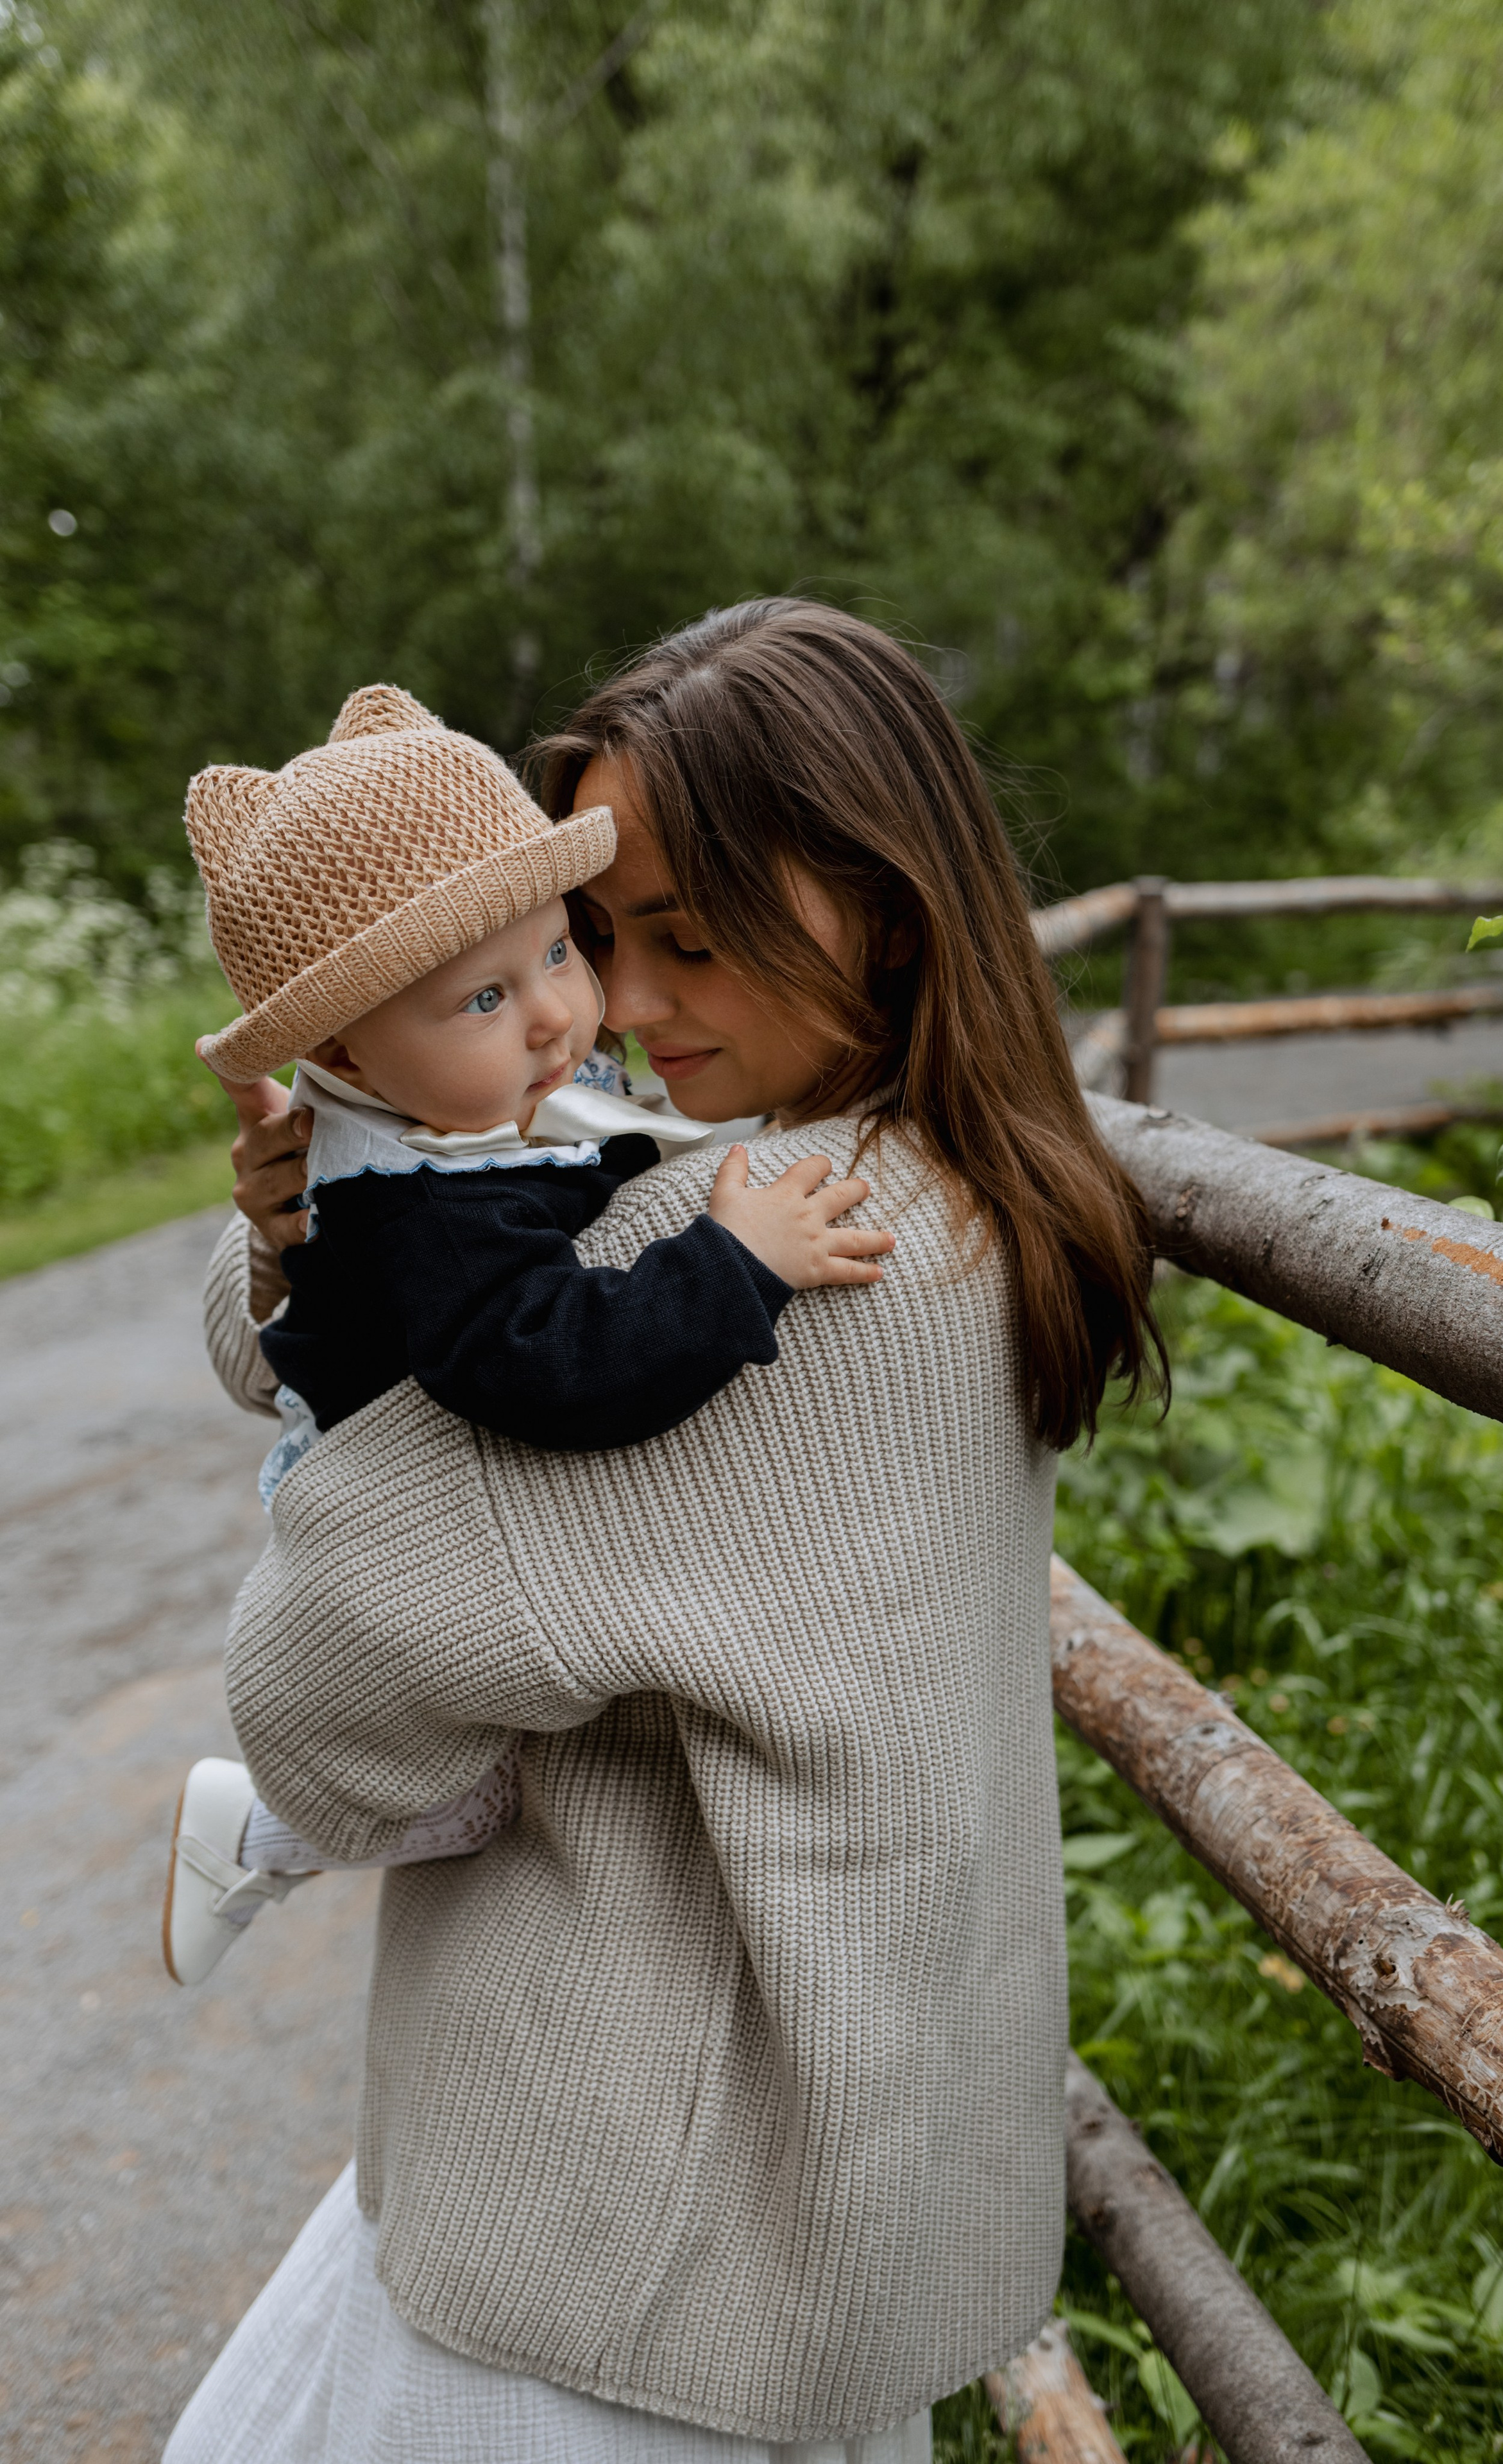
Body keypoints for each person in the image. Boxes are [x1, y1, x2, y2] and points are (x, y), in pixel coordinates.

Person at [165, 599, 1161, 2464]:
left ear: (882, 898)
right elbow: (276, 1333)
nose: (613, 1010)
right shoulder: (956, 1184)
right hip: (792, 2204)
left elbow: (312, 1704)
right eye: (597, 938)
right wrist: (313, 1202)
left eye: (690, 944)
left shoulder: (788, 1257)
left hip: (619, 2232)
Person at [161, 681, 888, 1990]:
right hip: (375, 1544)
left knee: (491, 1807)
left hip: (387, 1495)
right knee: (468, 1800)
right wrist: (736, 1261)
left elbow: (566, 1173)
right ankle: (261, 1826)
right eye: (483, 1000)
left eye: (559, 950)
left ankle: (267, 1830)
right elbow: (556, 1359)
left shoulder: (434, 1120)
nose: (558, 1014)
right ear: (351, 1058)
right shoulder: (420, 1213)